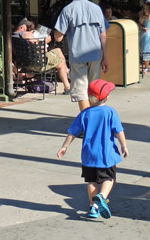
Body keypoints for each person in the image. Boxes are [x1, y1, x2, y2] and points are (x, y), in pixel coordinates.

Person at [57, 79, 129, 219]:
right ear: (106, 97)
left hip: (89, 156)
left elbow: (72, 132)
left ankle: (93, 208)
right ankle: (102, 197)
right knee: (109, 178)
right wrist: (124, 145)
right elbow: (119, 131)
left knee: (92, 182)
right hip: (106, 155)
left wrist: (64, 146)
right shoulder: (110, 112)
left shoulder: (85, 114)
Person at [54, 0, 108, 111]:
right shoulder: (96, 9)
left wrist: (55, 30)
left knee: (81, 93)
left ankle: (87, 124)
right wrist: (105, 57)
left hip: (78, 56)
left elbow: (58, 37)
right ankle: (96, 122)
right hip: (95, 55)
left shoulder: (67, 10)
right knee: (95, 90)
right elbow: (104, 35)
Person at [21, 20, 72, 94]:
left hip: (27, 64)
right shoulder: (28, 35)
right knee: (60, 61)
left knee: (58, 50)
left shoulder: (17, 36)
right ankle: (67, 86)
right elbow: (37, 49)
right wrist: (44, 41)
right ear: (23, 27)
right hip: (37, 64)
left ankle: (67, 71)